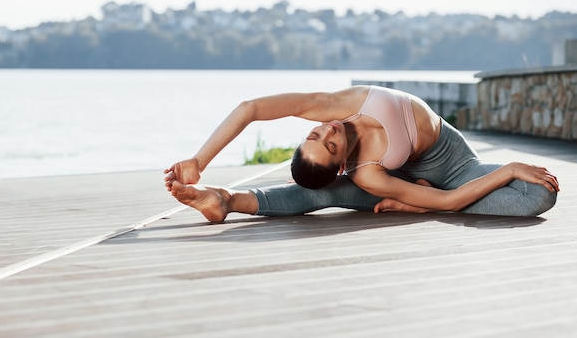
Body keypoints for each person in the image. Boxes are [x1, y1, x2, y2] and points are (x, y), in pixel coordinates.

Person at [164, 85, 559, 222]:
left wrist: (200, 160)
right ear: (342, 165)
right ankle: (224, 200)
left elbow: (251, 108)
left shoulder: (340, 104)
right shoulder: (366, 173)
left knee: (539, 194)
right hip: (410, 183)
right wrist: (508, 168)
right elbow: (451, 202)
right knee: (323, 193)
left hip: (456, 166)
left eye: (316, 134)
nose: (329, 131)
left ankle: (419, 205)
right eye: (331, 145)